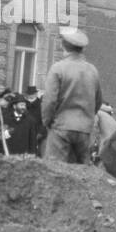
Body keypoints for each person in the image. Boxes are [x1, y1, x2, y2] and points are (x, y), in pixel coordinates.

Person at [40, 26, 102, 163]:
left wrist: (47, 121)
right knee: (81, 174)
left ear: (63, 45)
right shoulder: (92, 71)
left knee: (56, 171)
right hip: (85, 130)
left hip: (61, 128)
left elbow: (49, 101)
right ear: (82, 48)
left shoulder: (58, 68)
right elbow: (98, 102)